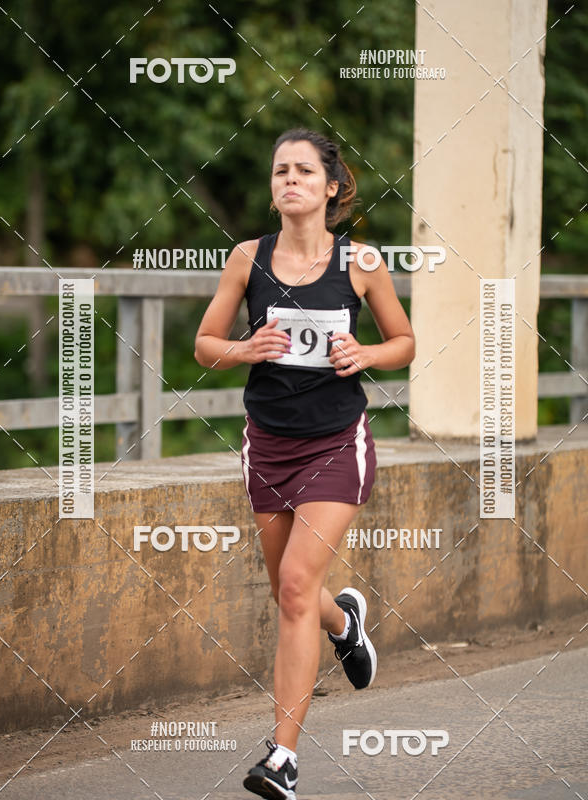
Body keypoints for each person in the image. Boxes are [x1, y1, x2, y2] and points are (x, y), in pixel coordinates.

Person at [194, 127, 415, 799]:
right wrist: (246, 348)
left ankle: (282, 758)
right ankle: (345, 623)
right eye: (280, 171)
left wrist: (366, 355)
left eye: (303, 171)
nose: (289, 179)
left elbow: (404, 342)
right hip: (267, 444)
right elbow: (205, 345)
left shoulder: (361, 262)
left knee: (294, 585)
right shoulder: (247, 258)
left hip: (335, 442)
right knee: (290, 592)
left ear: (331, 187)